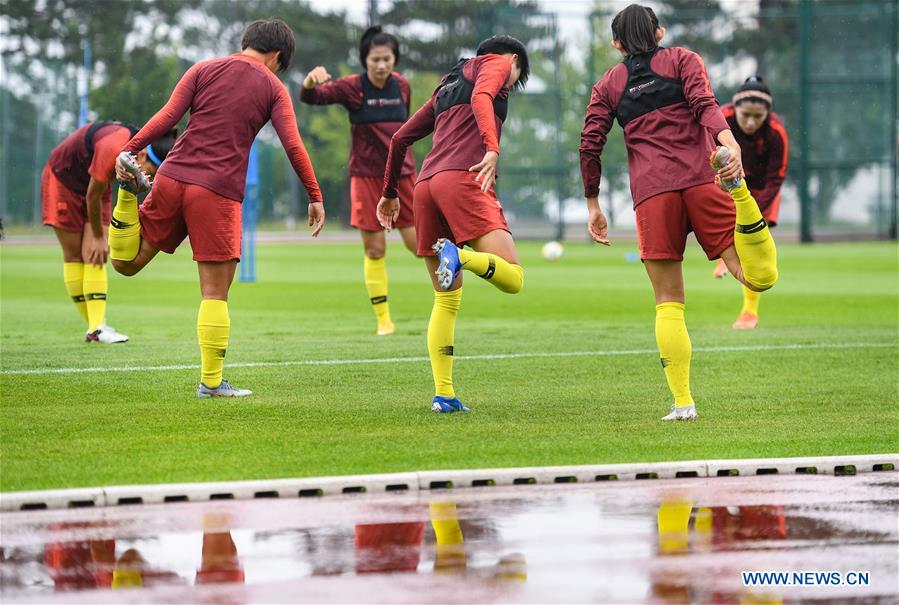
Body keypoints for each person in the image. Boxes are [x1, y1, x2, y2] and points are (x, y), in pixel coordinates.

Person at [579, 4, 778, 421]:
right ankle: (741, 195)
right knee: (756, 277)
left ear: (616, 43)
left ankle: (683, 404)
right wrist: (729, 140)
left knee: (668, 304)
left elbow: (590, 143)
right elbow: (705, 103)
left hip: (653, 196)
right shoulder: (684, 59)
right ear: (660, 33)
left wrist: (593, 204)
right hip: (704, 182)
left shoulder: (609, 84)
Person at [111, 18, 325, 398]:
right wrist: (314, 194)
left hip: (172, 176)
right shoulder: (274, 87)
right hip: (216, 191)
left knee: (126, 264)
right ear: (278, 56)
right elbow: (292, 144)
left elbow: (167, 117)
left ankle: (128, 194)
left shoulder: (203, 68)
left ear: (246, 43)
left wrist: (130, 149)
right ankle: (211, 383)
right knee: (214, 293)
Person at [378, 35, 530, 413]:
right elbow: (482, 98)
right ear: (512, 59)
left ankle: (443, 395)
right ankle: (461, 257)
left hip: (425, 187)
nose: (510, 83)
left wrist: (389, 192)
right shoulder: (495, 63)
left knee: (446, 299)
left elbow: (399, 139)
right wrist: (492, 148)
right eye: (518, 74)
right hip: (463, 179)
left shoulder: (448, 83)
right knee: (513, 278)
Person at [300, 26, 417, 336]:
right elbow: (311, 97)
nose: (381, 65)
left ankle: (448, 301)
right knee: (375, 250)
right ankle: (384, 321)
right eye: (375, 59)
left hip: (403, 175)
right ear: (365, 60)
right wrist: (310, 81)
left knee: (420, 244)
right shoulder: (353, 87)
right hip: (365, 177)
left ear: (395, 59)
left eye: (387, 59)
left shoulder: (403, 87)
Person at [41, 121, 176, 343]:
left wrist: (98, 238)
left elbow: (97, 192)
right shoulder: (115, 146)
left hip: (96, 185)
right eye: (149, 172)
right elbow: (92, 195)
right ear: (141, 156)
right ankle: (96, 328)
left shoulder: (134, 154)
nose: (145, 176)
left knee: (96, 254)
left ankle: (96, 328)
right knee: (76, 254)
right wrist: (96, 236)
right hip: (63, 179)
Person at [712, 76, 788, 330]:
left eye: (758, 116)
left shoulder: (777, 132)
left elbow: (776, 178)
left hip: (761, 192)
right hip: (723, 186)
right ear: (735, 109)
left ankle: (749, 312)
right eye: (746, 115)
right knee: (733, 238)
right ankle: (728, 253)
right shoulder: (720, 120)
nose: (751, 122)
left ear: (768, 113)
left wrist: (752, 206)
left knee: (753, 245)